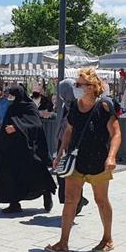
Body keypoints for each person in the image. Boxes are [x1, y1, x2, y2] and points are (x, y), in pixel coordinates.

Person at [46, 69, 121, 252]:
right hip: (76, 160)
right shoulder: (74, 106)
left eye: (79, 84)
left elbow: (116, 134)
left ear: (92, 87)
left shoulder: (104, 106)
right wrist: (60, 153)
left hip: (99, 160)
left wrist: (111, 156)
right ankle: (63, 242)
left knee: (101, 200)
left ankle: (107, 238)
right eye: (76, 85)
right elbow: (69, 131)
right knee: (70, 199)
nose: (76, 88)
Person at [0, 86, 56, 213]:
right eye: (10, 95)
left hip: (27, 148)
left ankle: (46, 191)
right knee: (9, 175)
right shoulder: (12, 107)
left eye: (13, 95)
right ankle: (14, 203)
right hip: (11, 149)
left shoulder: (30, 107)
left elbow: (35, 125)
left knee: (35, 172)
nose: (10, 97)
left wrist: (17, 127)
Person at [52, 79, 89, 215]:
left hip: (73, 147)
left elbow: (70, 130)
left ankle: (76, 203)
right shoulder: (65, 106)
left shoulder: (78, 106)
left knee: (72, 176)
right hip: (63, 146)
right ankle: (75, 201)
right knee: (63, 175)